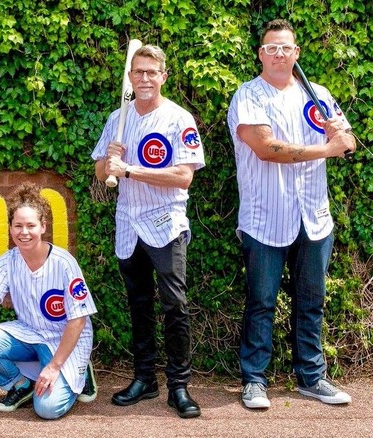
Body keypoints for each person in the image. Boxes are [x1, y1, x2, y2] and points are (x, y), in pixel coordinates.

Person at [227, 19, 355, 409]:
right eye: (271, 48)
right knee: (261, 301)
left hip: (314, 216)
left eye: (286, 48)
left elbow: (348, 142)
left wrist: (341, 137)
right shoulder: (248, 95)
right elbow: (267, 149)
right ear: (260, 54)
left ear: (297, 53)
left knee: (311, 300)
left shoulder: (318, 94)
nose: (279, 54)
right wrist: (326, 149)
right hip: (266, 218)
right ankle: (254, 380)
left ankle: (312, 377)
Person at [91, 44, 205, 419]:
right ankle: (144, 378)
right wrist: (109, 159)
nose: (144, 78)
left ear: (163, 76)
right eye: (137, 72)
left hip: (165, 223)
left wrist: (129, 169)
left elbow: (183, 177)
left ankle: (179, 386)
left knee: (175, 305)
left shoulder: (178, 119)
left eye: (151, 72)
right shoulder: (117, 118)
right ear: (130, 77)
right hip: (128, 222)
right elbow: (100, 173)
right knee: (138, 303)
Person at [0, 182, 98, 420]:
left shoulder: (64, 263)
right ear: (11, 228)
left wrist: (54, 367)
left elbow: (78, 320)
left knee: (47, 409)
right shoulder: (7, 261)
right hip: (30, 333)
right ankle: (21, 385)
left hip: (66, 337)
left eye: (31, 225)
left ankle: (80, 373)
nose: (24, 232)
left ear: (43, 227)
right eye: (18, 226)